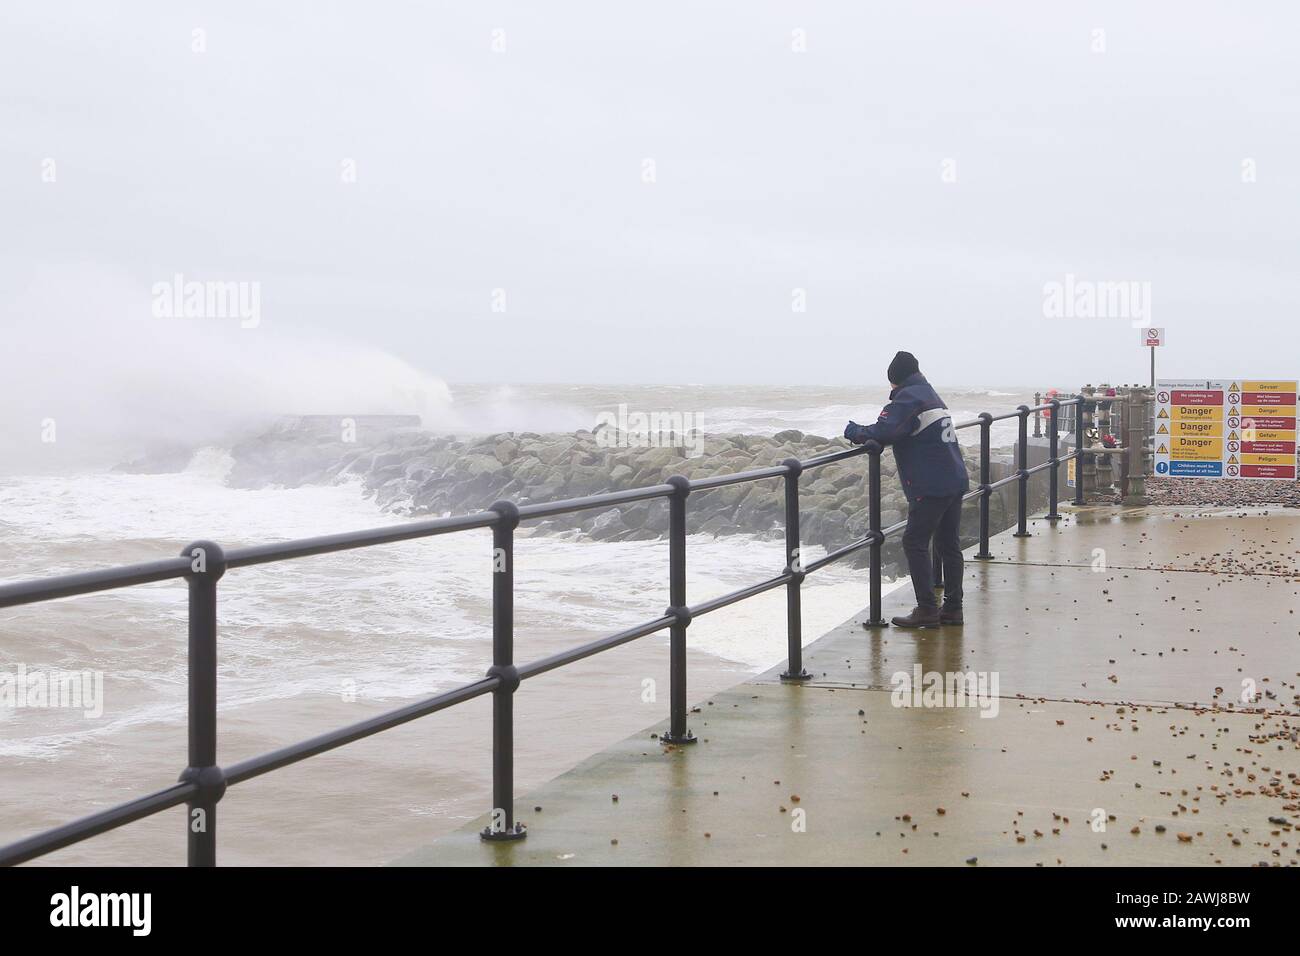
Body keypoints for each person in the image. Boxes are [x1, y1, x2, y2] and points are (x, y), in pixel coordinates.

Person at [843, 351, 970, 628]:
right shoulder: (931, 395)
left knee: (914, 541)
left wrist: (853, 431)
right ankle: (953, 608)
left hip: (932, 485)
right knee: (949, 544)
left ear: (895, 380)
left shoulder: (909, 398)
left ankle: (927, 609)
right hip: (954, 479)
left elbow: (885, 431)